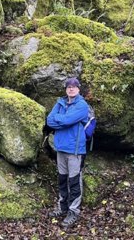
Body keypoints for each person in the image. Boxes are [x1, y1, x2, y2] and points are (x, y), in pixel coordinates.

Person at [47, 77, 89, 228]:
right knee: (62, 179)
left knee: (74, 180)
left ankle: (73, 211)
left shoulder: (82, 105)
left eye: (74, 86)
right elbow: (49, 121)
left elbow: (65, 121)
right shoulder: (60, 103)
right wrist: (62, 120)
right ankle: (62, 206)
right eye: (68, 87)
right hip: (61, 148)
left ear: (78, 89)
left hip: (75, 149)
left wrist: (61, 120)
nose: (71, 89)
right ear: (66, 89)